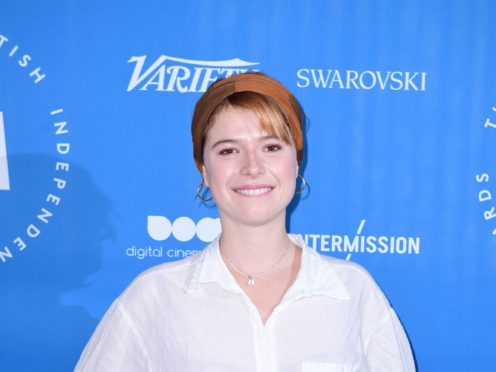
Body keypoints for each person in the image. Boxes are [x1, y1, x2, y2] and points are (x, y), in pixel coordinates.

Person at [75, 72, 416, 371]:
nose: (252, 167)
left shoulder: (353, 292)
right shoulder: (154, 297)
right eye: (228, 150)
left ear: (296, 165)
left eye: (270, 147)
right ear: (204, 171)